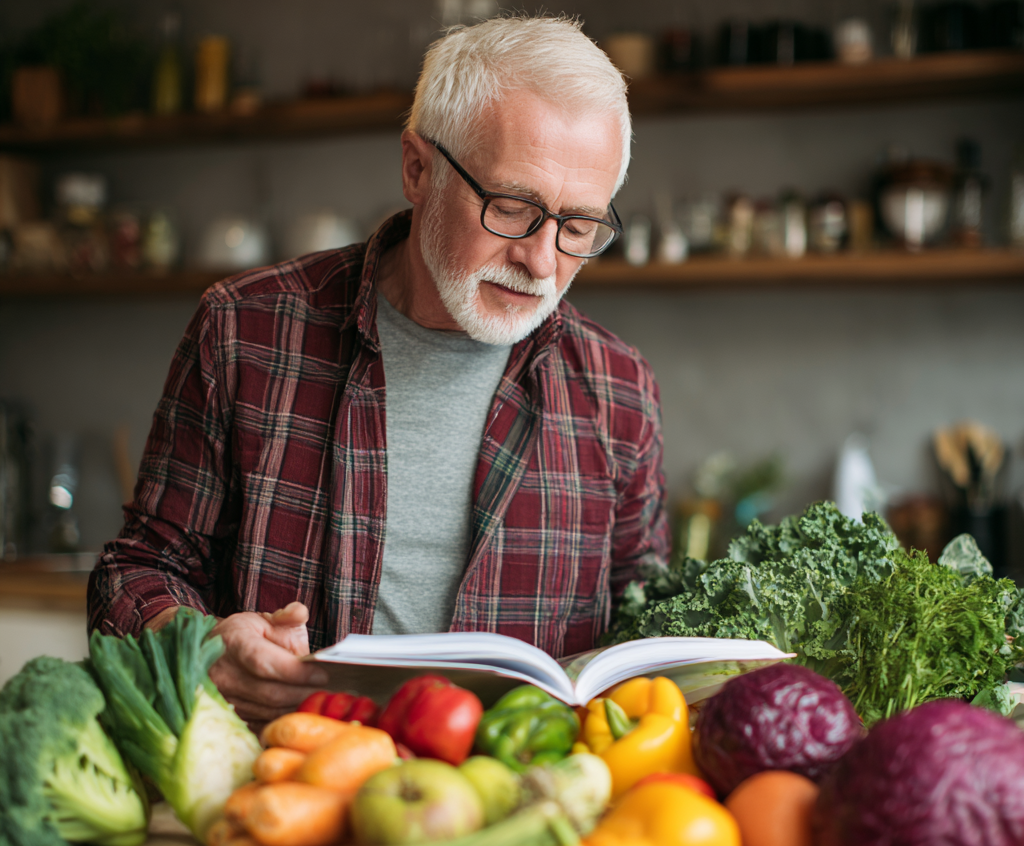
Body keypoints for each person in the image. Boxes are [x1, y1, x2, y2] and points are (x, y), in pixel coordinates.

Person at [88, 16, 669, 729]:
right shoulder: (245, 328)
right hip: (286, 794)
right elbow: (134, 570)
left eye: (578, 227)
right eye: (513, 208)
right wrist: (201, 642)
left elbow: (650, 628)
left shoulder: (619, 388)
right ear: (417, 169)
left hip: (522, 816)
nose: (542, 262)